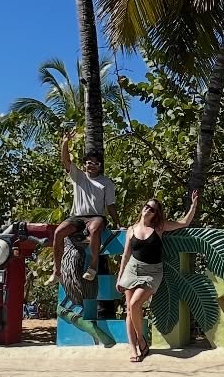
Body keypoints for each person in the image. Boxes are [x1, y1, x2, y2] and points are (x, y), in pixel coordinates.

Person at [114, 190, 200, 364]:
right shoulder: (131, 230)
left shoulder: (159, 227)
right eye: (146, 207)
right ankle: (134, 348)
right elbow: (125, 255)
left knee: (135, 304)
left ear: (156, 214)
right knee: (130, 310)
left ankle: (141, 340)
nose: (148, 210)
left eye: (152, 209)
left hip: (152, 272)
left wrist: (193, 205)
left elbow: (184, 223)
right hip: (132, 269)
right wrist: (120, 277)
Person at [52, 131, 117, 285]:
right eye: (89, 162)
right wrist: (65, 142)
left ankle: (93, 265)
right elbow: (66, 161)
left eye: (96, 163)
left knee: (95, 229)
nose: (92, 166)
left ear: (100, 166)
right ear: (85, 164)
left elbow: (110, 205)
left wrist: (118, 222)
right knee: (58, 232)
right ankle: (57, 270)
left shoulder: (106, 183)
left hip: (96, 217)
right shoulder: (78, 176)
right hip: (77, 217)